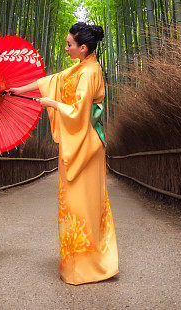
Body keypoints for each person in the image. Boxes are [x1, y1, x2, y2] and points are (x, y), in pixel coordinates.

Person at [9, 22, 118, 285]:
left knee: (84, 205)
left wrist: (54, 104)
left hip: (88, 145)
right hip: (74, 142)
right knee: (71, 204)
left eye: (70, 44)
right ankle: (74, 265)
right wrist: (19, 90)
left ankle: (92, 266)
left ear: (83, 48)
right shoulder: (81, 67)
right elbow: (51, 81)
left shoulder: (90, 72)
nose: (66, 47)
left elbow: (80, 111)